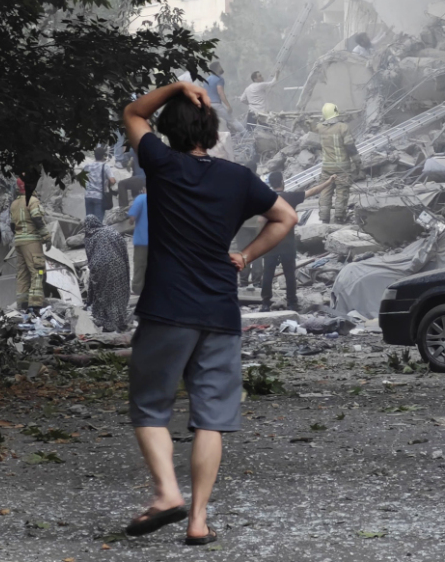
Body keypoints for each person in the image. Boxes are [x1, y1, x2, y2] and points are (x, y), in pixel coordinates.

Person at [120, 81, 298, 546]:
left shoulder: (162, 163)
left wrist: (177, 86)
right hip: (220, 310)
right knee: (211, 418)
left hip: (167, 308)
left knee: (150, 407)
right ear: (211, 131)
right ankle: (198, 521)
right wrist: (246, 255)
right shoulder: (238, 178)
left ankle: (166, 493)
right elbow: (287, 217)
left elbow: (133, 113)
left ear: (170, 131)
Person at [260, 172, 333, 312]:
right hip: (287, 242)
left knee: (268, 274)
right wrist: (328, 182)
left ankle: (265, 304)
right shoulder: (290, 197)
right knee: (289, 274)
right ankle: (292, 303)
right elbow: (313, 191)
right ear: (282, 182)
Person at [83, 215, 131, 332]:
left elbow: (90, 256)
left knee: (104, 294)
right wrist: (125, 266)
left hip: (100, 269)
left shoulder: (89, 236)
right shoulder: (112, 231)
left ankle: (107, 322)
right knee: (118, 294)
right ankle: (120, 321)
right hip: (118, 265)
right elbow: (124, 249)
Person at [10, 178, 52, 312]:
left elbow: (12, 225)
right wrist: (46, 236)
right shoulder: (32, 200)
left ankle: (22, 304)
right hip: (32, 241)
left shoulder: (14, 204)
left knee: (23, 273)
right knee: (38, 271)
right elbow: (37, 218)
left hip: (19, 242)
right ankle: (35, 305)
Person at [316, 103, 361, 224]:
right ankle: (339, 218)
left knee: (325, 191)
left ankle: (324, 218)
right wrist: (357, 162)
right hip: (342, 167)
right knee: (342, 192)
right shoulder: (343, 127)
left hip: (326, 167)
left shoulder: (320, 128)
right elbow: (350, 147)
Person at [83, 146, 117, 222]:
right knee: (98, 223)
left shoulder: (88, 165)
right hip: (99, 197)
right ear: (103, 156)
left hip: (88, 195)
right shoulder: (105, 166)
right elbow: (112, 181)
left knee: (89, 221)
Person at [127, 187, 148, 295]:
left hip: (142, 240)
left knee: (140, 264)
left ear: (144, 189)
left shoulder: (141, 198)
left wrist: (130, 221)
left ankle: (137, 288)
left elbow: (132, 218)